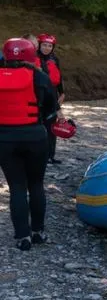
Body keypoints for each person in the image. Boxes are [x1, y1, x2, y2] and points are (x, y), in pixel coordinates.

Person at [0, 38, 60, 251]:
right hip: (35, 137)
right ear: (30, 55)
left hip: (4, 139)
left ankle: (22, 237)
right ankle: (37, 232)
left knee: (16, 187)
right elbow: (52, 111)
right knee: (35, 184)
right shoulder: (40, 77)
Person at [36, 34, 64, 164]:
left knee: (52, 126)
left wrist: (62, 92)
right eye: (44, 45)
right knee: (40, 125)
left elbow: (59, 76)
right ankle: (39, 155)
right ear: (39, 45)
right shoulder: (34, 58)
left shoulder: (54, 59)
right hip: (40, 94)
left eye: (50, 46)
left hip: (53, 92)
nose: (47, 48)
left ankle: (50, 155)